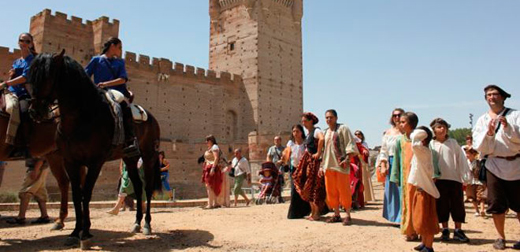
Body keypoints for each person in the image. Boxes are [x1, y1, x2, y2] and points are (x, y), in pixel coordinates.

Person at [473, 85, 520, 250]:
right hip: (494, 164)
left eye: (494, 94)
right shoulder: (482, 120)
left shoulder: (516, 115)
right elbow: (480, 146)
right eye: (488, 95)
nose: (491, 97)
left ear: (503, 97)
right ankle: (501, 237)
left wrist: (508, 127)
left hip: (516, 164)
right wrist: (490, 134)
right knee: (496, 204)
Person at [85, 37, 139, 157]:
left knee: (124, 108)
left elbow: (122, 79)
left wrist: (106, 84)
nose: (120, 50)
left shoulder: (120, 62)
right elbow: (85, 75)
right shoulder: (96, 60)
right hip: (99, 91)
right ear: (112, 46)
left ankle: (130, 140)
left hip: (115, 92)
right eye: (119, 47)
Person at [429, 118, 471, 243]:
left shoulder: (453, 143)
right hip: (439, 180)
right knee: (441, 205)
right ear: (434, 130)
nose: (442, 129)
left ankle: (458, 230)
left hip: (454, 179)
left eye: (444, 127)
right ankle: (445, 229)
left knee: (457, 205)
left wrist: (465, 176)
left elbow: (461, 159)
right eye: (439, 127)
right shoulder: (431, 145)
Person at [0, 33, 37, 157]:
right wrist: (11, 76)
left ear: (31, 44)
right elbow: (13, 77)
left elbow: (25, 77)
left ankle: (22, 145)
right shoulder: (17, 61)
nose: (24, 43)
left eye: (27, 41)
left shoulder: (33, 60)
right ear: (18, 42)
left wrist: (6, 82)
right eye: (22, 40)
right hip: (10, 91)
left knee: (24, 112)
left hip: (24, 93)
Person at [322, 109, 358, 225]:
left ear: (336, 118)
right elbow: (324, 150)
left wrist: (347, 159)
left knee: (344, 190)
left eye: (331, 117)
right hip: (328, 165)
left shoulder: (343, 128)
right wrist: (321, 166)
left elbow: (350, 144)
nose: (329, 119)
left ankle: (347, 214)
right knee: (331, 191)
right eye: (327, 117)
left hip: (340, 165)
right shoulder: (325, 132)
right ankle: (336, 214)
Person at [408, 126, 440, 252]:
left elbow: (415, 144)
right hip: (420, 189)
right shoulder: (422, 151)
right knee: (421, 219)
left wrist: (419, 133)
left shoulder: (423, 151)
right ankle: (424, 243)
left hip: (426, 190)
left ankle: (429, 246)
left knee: (427, 220)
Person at [390, 111, 419, 241]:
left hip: (419, 178)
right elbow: (396, 159)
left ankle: (420, 229)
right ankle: (410, 230)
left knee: (419, 204)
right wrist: (395, 176)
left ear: (411, 124)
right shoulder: (400, 140)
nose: (400, 124)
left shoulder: (419, 138)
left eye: (403, 122)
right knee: (406, 203)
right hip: (405, 177)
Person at [293, 112, 326, 221]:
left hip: (315, 164)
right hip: (309, 164)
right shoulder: (308, 134)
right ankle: (312, 212)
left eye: (305, 121)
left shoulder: (316, 131)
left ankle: (316, 213)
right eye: (302, 121)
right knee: (308, 188)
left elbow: (322, 139)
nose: (304, 123)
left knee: (315, 188)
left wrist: (318, 153)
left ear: (311, 121)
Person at [378, 108, 404, 224]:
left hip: (404, 161)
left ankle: (404, 217)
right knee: (393, 190)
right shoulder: (388, 133)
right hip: (392, 162)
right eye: (395, 115)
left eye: (399, 115)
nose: (397, 118)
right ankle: (396, 217)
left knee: (403, 189)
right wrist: (383, 165)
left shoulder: (407, 132)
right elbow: (384, 150)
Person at [6, 157, 50, 225]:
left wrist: (35, 170)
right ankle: (44, 216)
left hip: (37, 168)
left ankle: (21, 217)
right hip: (42, 168)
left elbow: (41, 157)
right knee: (40, 193)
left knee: (25, 193)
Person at [285, 124, 311, 219]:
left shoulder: (305, 143)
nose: (295, 133)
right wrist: (284, 162)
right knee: (294, 191)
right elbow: (287, 154)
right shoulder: (290, 143)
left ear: (301, 132)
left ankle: (305, 211)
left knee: (304, 190)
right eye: (294, 131)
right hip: (294, 170)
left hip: (304, 169)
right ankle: (294, 214)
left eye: (297, 131)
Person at [201, 135, 223, 209]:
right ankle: (215, 203)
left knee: (209, 186)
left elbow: (216, 158)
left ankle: (210, 204)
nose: (206, 142)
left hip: (211, 168)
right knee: (211, 186)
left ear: (211, 141)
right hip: (208, 168)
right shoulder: (210, 148)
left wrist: (213, 168)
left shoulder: (214, 147)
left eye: (207, 140)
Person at [464, 147, 487, 217]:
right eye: (466, 153)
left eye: (468, 153)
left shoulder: (479, 162)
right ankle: (477, 210)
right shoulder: (465, 163)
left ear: (473, 154)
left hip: (479, 181)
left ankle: (482, 210)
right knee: (472, 197)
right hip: (469, 182)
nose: (467, 155)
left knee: (481, 196)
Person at [354, 130, 375, 203]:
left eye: (359, 134)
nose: (357, 135)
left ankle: (365, 198)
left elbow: (366, 153)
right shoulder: (354, 143)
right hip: (356, 164)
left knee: (364, 180)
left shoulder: (364, 144)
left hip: (363, 163)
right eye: (356, 134)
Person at [267, 136, 286, 201]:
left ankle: (279, 195)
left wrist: (281, 161)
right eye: (275, 140)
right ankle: (273, 194)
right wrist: (269, 163)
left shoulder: (283, 148)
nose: (276, 141)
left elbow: (285, 157)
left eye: (277, 140)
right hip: (273, 167)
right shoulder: (271, 148)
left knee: (279, 181)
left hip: (281, 166)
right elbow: (268, 156)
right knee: (273, 181)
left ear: (280, 140)